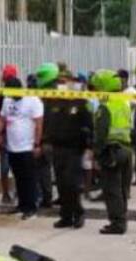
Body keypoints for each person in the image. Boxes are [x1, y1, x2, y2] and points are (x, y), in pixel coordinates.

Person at [42, 65, 93, 229]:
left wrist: (89, 145)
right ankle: (65, 216)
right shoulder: (53, 100)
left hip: (74, 148)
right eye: (59, 81)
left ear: (71, 82)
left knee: (72, 183)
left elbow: (88, 123)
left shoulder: (79, 100)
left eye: (64, 81)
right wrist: (45, 140)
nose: (61, 84)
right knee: (62, 184)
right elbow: (48, 122)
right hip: (58, 147)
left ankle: (78, 213)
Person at [91, 69, 132, 235]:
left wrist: (96, 153)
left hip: (112, 150)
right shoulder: (123, 102)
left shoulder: (105, 105)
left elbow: (101, 133)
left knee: (111, 189)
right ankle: (122, 219)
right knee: (122, 188)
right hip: (126, 148)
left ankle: (117, 223)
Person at [0, 76, 44, 219]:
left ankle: (31, 207)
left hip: (27, 147)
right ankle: (21, 205)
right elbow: (2, 120)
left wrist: (37, 144)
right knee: (18, 178)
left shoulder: (33, 100)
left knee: (29, 178)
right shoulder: (7, 100)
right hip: (12, 147)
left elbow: (39, 124)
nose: (11, 96)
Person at [27, 73, 54, 208]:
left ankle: (42, 197)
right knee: (45, 171)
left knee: (40, 170)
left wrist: (37, 143)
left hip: (41, 140)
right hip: (47, 140)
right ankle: (46, 197)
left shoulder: (36, 103)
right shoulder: (49, 101)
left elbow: (38, 124)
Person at [0, 64, 19, 205]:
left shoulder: (18, 93)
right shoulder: (0, 95)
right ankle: (6, 193)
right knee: (6, 167)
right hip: (7, 135)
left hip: (12, 135)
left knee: (11, 167)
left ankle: (11, 193)